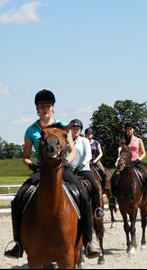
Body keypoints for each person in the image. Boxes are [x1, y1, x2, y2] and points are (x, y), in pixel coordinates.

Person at [4, 89, 100, 259]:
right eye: (42, 106)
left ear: (53, 107)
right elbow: (25, 156)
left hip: (62, 169)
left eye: (48, 105)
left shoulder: (63, 127)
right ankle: (18, 243)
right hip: (40, 170)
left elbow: (72, 152)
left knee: (83, 195)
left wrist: (65, 162)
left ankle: (88, 241)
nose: (45, 108)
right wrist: (32, 164)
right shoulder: (30, 130)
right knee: (18, 199)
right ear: (37, 109)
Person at [70, 120, 104, 219]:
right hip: (70, 170)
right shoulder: (68, 140)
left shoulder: (84, 140)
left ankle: (98, 209)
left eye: (77, 129)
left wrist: (81, 165)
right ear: (70, 129)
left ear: (80, 130)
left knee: (95, 186)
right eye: (73, 128)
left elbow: (88, 156)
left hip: (83, 169)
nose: (75, 130)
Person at [119, 122, 147, 204]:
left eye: (130, 129)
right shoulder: (123, 141)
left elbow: (143, 153)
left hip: (136, 161)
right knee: (116, 175)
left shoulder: (139, 140)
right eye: (127, 129)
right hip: (125, 163)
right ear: (125, 130)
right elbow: (121, 152)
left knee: (145, 174)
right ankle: (114, 197)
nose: (129, 130)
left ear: (133, 130)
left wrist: (139, 159)